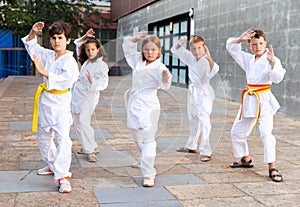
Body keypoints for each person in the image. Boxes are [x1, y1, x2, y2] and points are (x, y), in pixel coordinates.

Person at [22, 21, 79, 193]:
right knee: (43, 137)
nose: (56, 41)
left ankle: (62, 176)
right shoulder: (47, 54)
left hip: (60, 104)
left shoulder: (70, 61)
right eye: (53, 38)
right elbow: (31, 47)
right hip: (45, 102)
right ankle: (52, 164)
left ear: (67, 40)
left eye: (60, 38)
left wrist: (44, 72)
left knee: (64, 140)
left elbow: (66, 80)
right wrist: (33, 32)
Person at [226, 29, 286, 182]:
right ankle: (246, 159)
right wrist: (239, 38)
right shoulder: (248, 59)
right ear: (249, 46)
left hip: (264, 100)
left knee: (266, 133)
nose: (258, 47)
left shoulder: (271, 58)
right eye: (254, 44)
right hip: (249, 99)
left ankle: (272, 167)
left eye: (260, 43)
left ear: (265, 43)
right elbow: (231, 48)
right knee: (236, 131)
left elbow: (278, 78)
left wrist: (272, 63)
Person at [122, 30, 172, 187]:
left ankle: (149, 174)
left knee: (148, 139)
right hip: (134, 104)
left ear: (159, 52)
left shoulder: (160, 66)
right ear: (142, 51)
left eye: (153, 50)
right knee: (136, 136)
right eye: (147, 49)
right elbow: (127, 48)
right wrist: (135, 39)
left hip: (149, 106)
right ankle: (144, 158)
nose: (150, 53)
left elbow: (165, 83)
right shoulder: (138, 61)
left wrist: (164, 77)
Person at [171, 35, 219, 162]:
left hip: (203, 93)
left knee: (204, 121)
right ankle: (191, 145)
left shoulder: (206, 60)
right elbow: (174, 50)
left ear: (204, 48)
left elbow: (214, 71)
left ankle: (206, 150)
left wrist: (209, 58)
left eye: (199, 48)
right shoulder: (191, 58)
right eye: (193, 48)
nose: (196, 51)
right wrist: (180, 43)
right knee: (193, 119)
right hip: (193, 92)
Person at [71, 28, 109, 162]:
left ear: (98, 49)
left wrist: (94, 82)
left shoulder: (102, 65)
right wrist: (86, 36)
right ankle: (89, 145)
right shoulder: (86, 61)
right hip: (77, 95)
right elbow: (77, 43)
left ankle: (91, 150)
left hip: (90, 97)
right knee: (76, 121)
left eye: (93, 49)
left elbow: (104, 84)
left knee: (83, 121)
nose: (90, 52)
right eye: (88, 50)